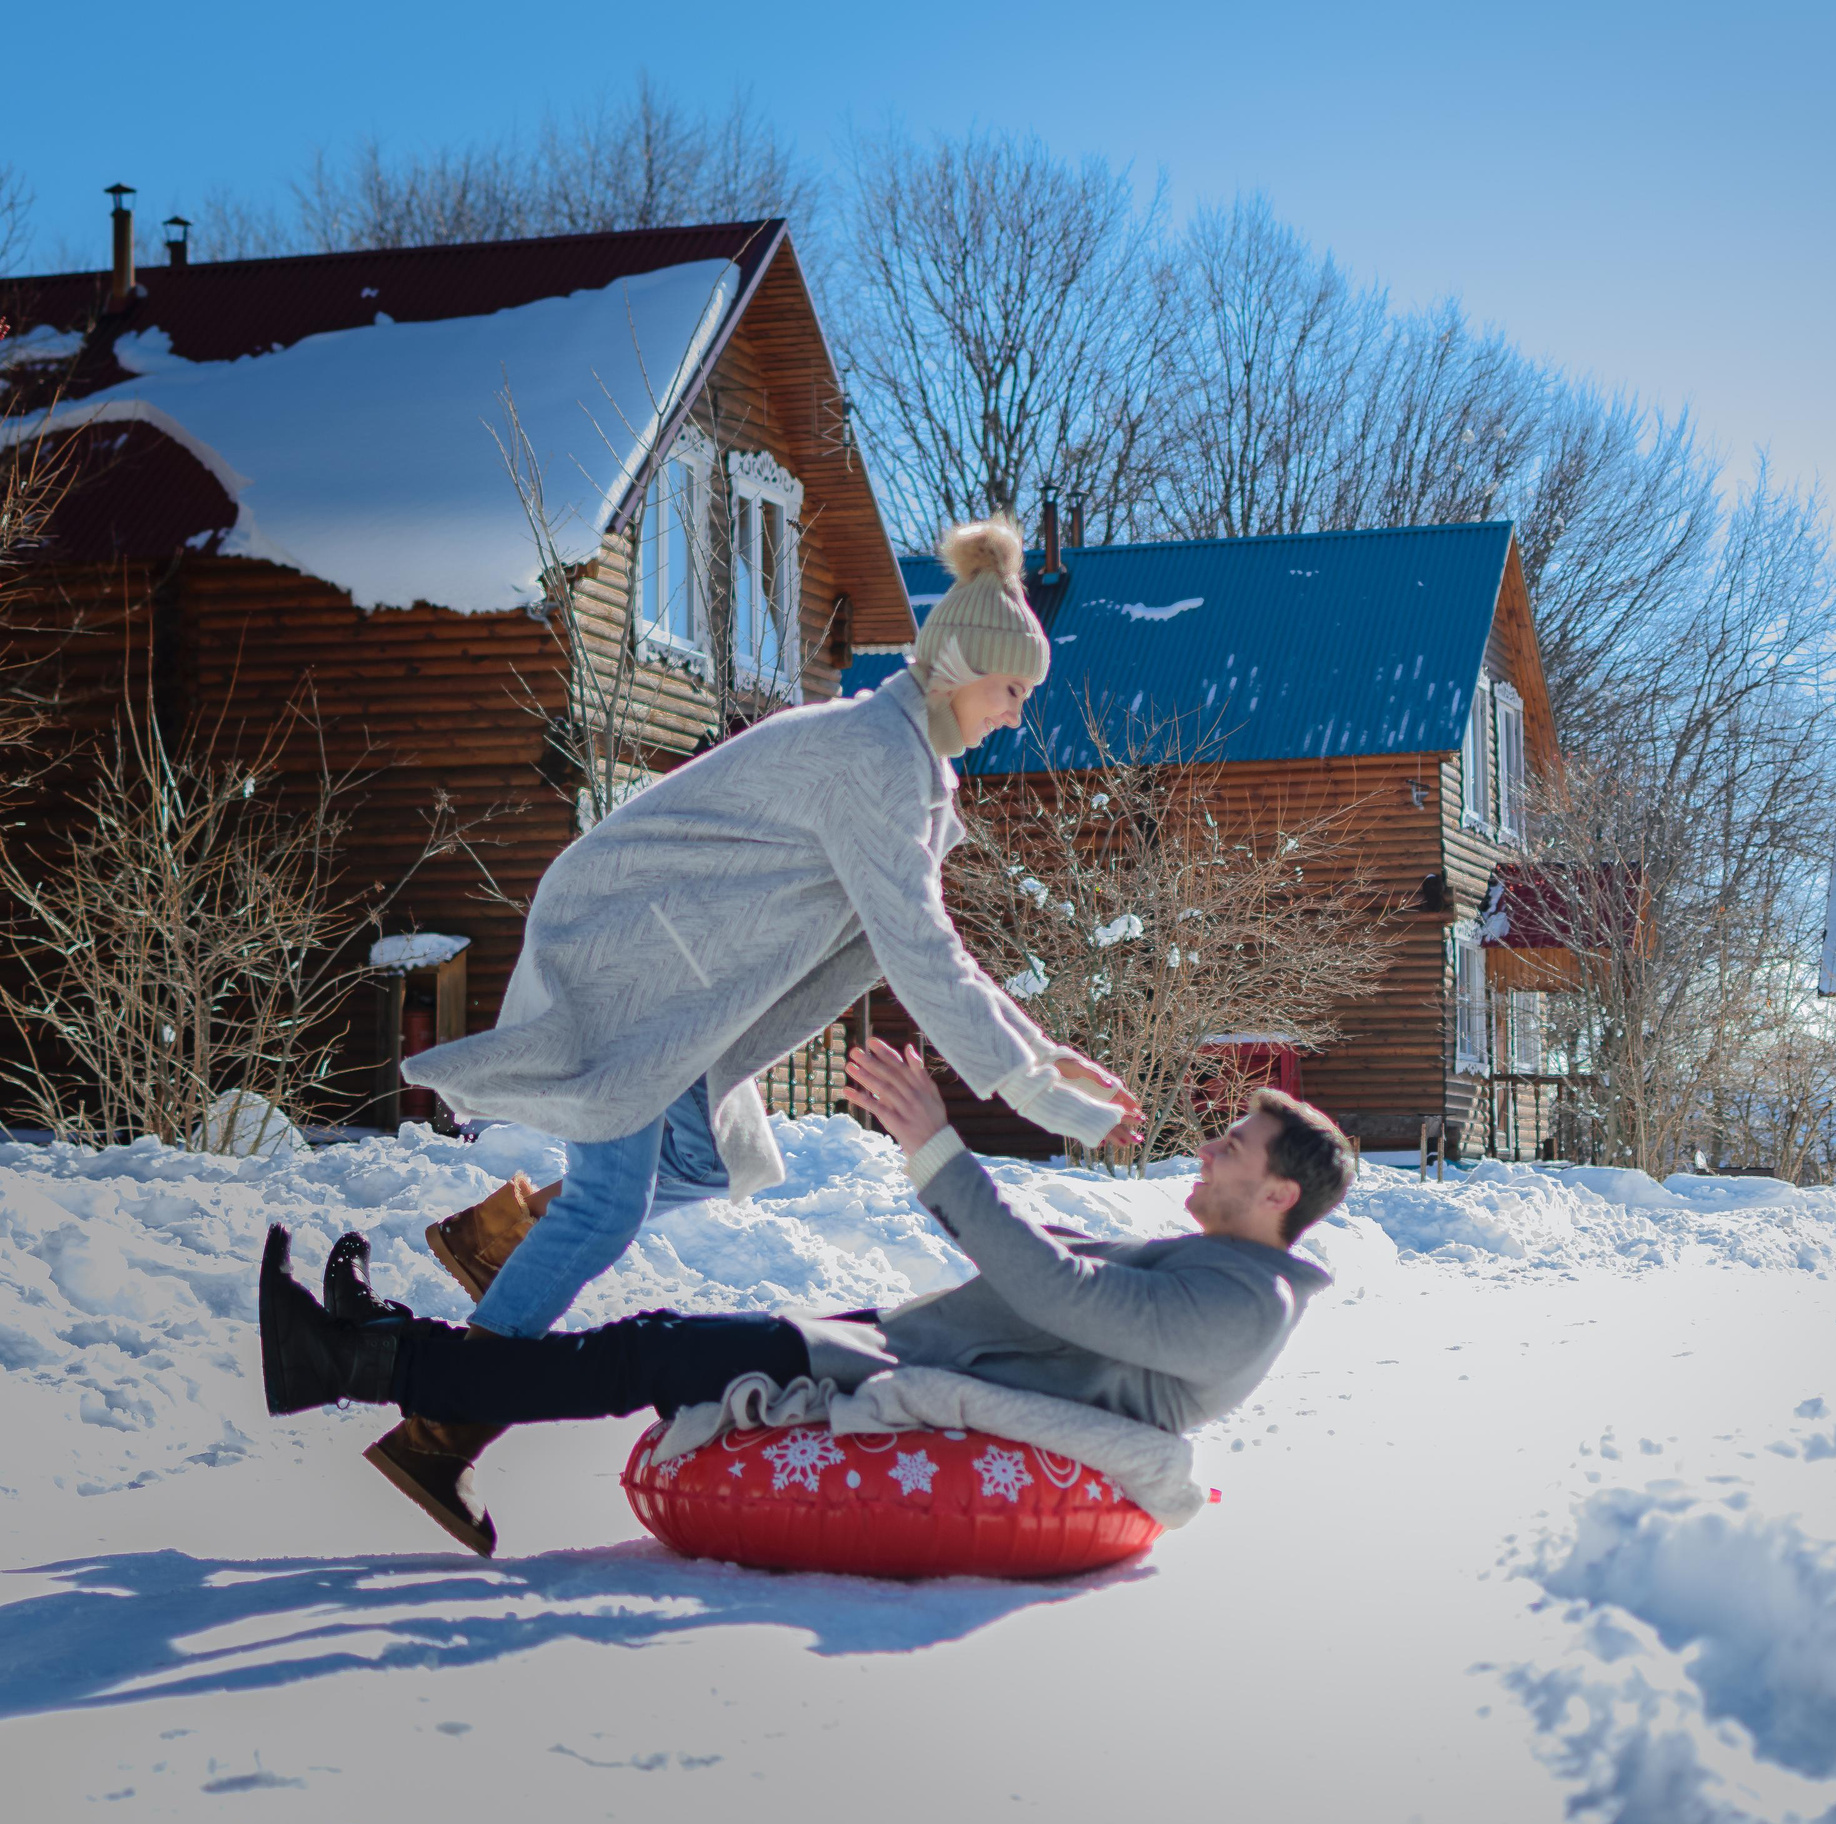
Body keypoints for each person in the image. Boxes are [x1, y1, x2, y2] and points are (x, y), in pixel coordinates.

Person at [378, 518, 1145, 1553]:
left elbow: (933, 944)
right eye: (1011, 689)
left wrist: (1050, 1058)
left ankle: (505, 1235)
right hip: (631, 954)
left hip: (678, 980)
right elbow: (920, 951)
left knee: (697, 1163)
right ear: (960, 668)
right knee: (608, 1206)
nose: (1016, 713)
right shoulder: (874, 761)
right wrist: (1044, 1096)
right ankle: (438, 1427)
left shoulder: (908, 765)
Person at [260, 1044, 1353, 1551]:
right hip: (866, 1344)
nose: (1210, 1147)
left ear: (1279, 1191)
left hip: (867, 1373)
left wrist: (937, 1147)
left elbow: (1057, 1290)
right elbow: (1053, 1260)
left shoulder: (1241, 1307)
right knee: (640, 1352)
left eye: (1235, 1143)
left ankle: (362, 1359)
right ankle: (365, 1350)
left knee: (638, 1355)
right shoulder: (1224, 1268)